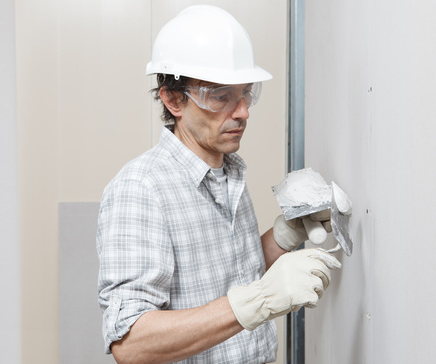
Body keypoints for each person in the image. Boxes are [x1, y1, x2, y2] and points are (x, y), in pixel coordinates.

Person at [96, 5, 351, 364]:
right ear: (172, 99)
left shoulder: (227, 171)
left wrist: (282, 237)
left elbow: (223, 280)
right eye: (220, 96)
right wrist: (260, 299)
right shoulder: (141, 189)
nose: (243, 111)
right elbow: (132, 342)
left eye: (246, 92)